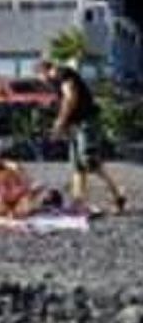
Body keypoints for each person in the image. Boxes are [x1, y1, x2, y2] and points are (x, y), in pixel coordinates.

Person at [42, 58, 128, 213]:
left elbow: (71, 98)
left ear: (44, 72)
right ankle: (78, 201)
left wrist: (60, 122)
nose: (44, 82)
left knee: (90, 161)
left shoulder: (63, 73)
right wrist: (63, 127)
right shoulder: (57, 82)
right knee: (77, 164)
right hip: (76, 124)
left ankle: (118, 195)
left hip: (87, 122)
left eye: (42, 78)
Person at [0, 144, 57, 219]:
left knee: (24, 206)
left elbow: (28, 185)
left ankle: (21, 209)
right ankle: (12, 210)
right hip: (2, 201)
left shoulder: (16, 170)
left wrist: (19, 172)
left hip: (18, 199)